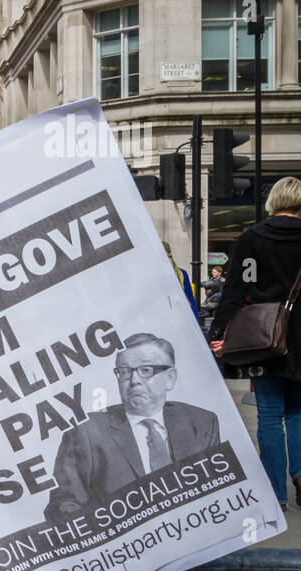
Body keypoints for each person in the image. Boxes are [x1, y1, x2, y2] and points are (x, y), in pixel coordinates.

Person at [46, 332, 221, 522]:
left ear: (170, 378)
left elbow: (218, 490)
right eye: (124, 372)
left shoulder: (202, 422)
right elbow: (64, 507)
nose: (134, 380)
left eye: (146, 370)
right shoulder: (86, 432)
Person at [211, 176, 301, 509]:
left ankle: (276, 493)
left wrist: (219, 332)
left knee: (269, 414)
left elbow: (239, 288)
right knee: (298, 411)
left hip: (265, 337)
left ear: (273, 201)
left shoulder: (253, 238)